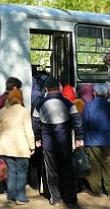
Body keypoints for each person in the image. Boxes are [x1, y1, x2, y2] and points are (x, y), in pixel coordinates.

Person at [32, 77, 84, 207]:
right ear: (59, 88)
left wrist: (37, 138)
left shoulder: (40, 104)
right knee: (67, 171)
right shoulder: (67, 103)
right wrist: (79, 138)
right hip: (64, 143)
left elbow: (35, 125)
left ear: (46, 89)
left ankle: (55, 199)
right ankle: (71, 199)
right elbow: (77, 122)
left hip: (48, 145)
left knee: (52, 172)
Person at [82, 83, 110, 197]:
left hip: (92, 140)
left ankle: (97, 190)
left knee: (94, 165)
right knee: (108, 165)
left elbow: (83, 125)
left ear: (94, 93)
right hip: (107, 139)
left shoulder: (88, 106)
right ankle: (109, 190)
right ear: (105, 94)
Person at [0, 89, 35, 205]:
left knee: (11, 171)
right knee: (22, 172)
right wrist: (32, 146)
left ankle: (11, 195)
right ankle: (21, 197)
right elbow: (28, 130)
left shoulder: (2, 111)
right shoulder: (24, 111)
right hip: (21, 147)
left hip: (6, 147)